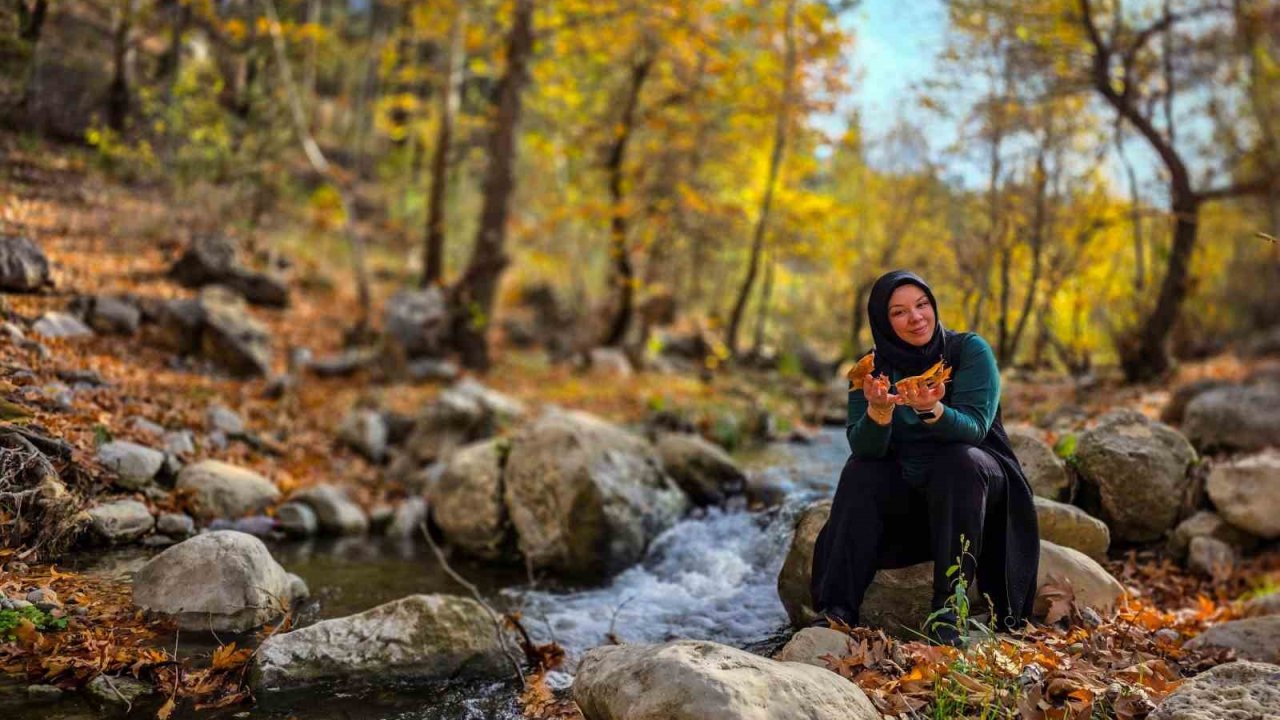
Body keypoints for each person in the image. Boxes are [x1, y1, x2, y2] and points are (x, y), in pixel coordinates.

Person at [809, 269, 1039, 642]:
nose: (915, 318)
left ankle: (950, 610)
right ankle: (837, 611)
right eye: (899, 312)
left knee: (957, 461)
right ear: (883, 321)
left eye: (922, 305)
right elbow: (864, 448)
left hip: (976, 490)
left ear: (933, 305)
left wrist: (932, 410)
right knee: (860, 471)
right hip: (913, 496)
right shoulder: (870, 368)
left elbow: (975, 429)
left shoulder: (968, 351)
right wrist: (878, 413)